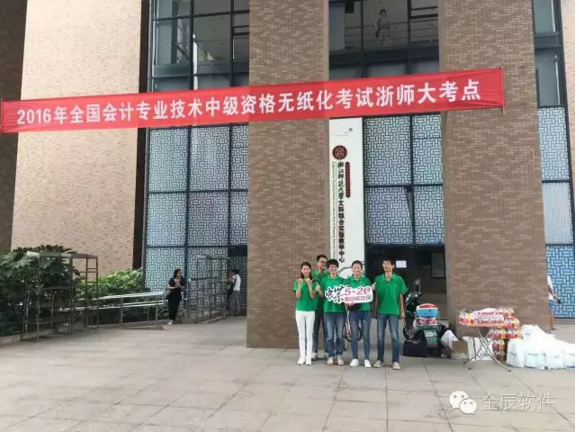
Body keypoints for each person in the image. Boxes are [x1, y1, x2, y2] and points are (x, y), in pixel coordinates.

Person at [373, 259, 407, 369]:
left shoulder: (398, 279)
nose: (386, 266)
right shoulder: (378, 279)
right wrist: (371, 289)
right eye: (384, 264)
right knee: (380, 337)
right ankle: (379, 359)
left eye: (388, 264)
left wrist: (402, 311)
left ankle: (396, 361)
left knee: (395, 337)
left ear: (392, 266)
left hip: (394, 311)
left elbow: (400, 296)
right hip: (381, 311)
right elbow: (374, 294)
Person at [316, 259, 346, 366]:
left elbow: (346, 295)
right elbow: (322, 296)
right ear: (328, 269)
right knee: (329, 336)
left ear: (337, 268)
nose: (332, 269)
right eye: (330, 267)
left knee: (339, 335)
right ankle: (331, 356)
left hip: (340, 311)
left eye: (334, 267)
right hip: (328, 311)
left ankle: (339, 355)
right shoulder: (324, 280)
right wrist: (319, 290)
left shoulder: (342, 280)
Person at [345, 260, 372, 368]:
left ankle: (367, 358)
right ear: (352, 269)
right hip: (353, 312)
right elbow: (344, 295)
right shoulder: (348, 281)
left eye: (358, 268)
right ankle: (355, 358)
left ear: (361, 269)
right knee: (354, 335)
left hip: (365, 310)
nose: (356, 269)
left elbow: (369, 295)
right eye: (354, 267)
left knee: (366, 335)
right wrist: (347, 302)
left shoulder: (366, 281)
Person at [293, 262, 319, 365]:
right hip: (299, 310)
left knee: (309, 335)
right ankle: (302, 356)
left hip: (310, 311)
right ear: (301, 270)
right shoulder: (298, 282)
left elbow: (312, 296)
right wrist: (300, 285)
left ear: (310, 270)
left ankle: (308, 357)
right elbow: (298, 296)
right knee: (301, 335)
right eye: (304, 269)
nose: (305, 270)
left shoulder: (314, 282)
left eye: (307, 269)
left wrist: (309, 285)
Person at [311, 254, 329, 361]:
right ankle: (314, 352)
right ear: (317, 263)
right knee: (314, 331)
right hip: (315, 307)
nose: (324, 264)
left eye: (325, 262)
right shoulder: (312, 274)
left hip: (326, 307)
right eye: (322, 261)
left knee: (327, 331)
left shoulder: (328, 274)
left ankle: (327, 352)